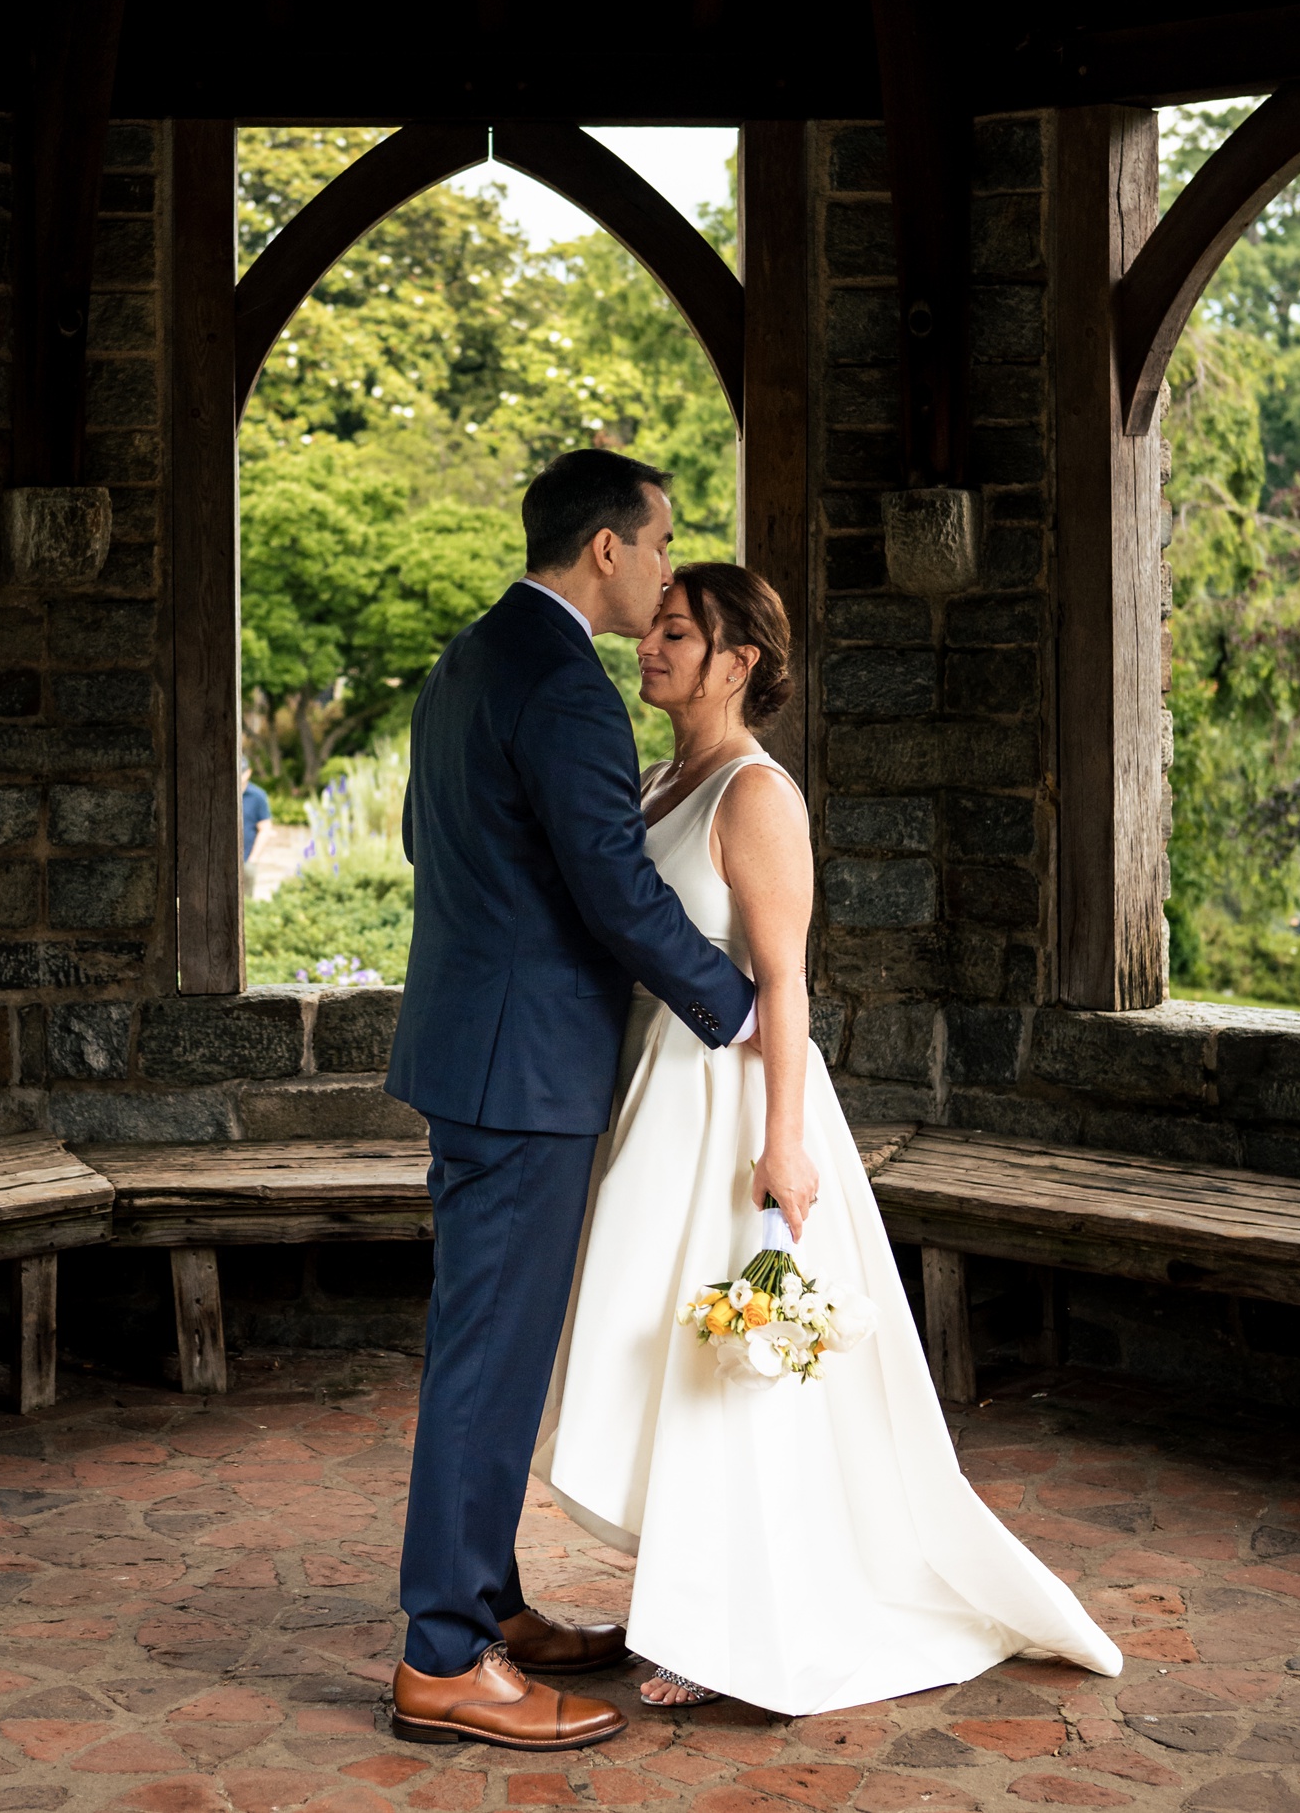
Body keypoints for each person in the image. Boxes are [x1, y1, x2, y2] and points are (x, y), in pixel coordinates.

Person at [535, 562, 1121, 1714]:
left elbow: (787, 976)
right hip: (649, 1100)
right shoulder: (661, 780)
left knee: (732, 1363)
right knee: (663, 1355)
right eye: (650, 629)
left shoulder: (759, 795)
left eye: (673, 633)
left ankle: (730, 1629)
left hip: (732, 1110)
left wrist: (784, 1143)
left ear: (736, 662)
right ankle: (690, 1597)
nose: (647, 647)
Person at [385, 451, 764, 1752]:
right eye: (658, 544)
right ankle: (443, 1656)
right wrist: (735, 1003)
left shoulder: (468, 660)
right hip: (522, 1066)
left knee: (480, 1346)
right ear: (604, 547)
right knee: (487, 1360)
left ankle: (485, 1604)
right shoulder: (563, 684)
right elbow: (609, 885)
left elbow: (422, 841)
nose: (665, 568)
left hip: (469, 1051)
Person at [240, 759, 271, 900]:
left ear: (248, 772)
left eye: (242, 772)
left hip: (246, 858)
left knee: (246, 901)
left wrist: (253, 858)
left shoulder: (257, 796)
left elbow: (265, 828)